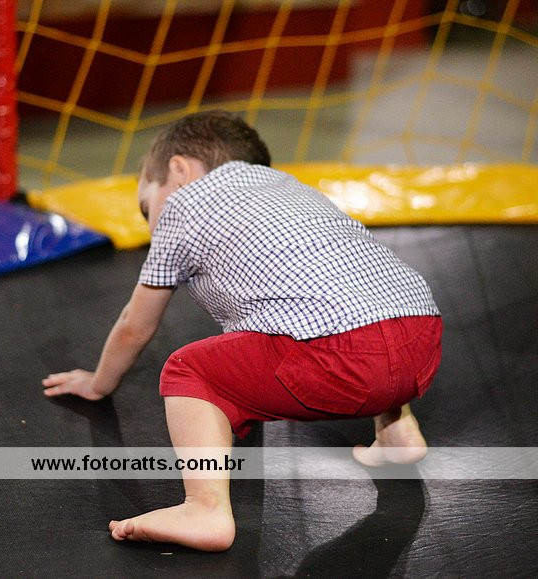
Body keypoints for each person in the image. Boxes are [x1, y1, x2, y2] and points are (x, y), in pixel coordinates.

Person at [41, 110, 442, 552]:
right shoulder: (290, 187)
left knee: (190, 369)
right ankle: (398, 431)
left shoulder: (183, 206)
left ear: (179, 170)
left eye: (145, 206)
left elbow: (135, 326)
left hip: (338, 359)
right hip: (421, 338)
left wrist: (98, 383)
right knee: (355, 302)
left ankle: (205, 508)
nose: (149, 222)